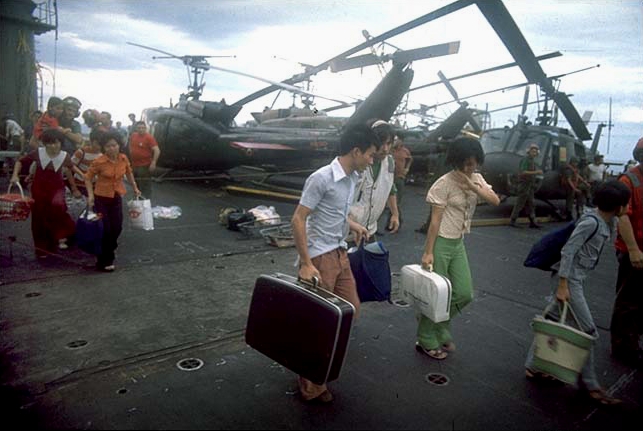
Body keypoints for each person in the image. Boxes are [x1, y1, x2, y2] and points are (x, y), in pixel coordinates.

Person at [291, 123, 378, 403]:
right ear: (356, 151)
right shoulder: (322, 178)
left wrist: (352, 224)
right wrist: (306, 263)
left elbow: (335, 213)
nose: (372, 160)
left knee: (350, 310)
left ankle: (317, 369)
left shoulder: (352, 179)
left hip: (340, 253)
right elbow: (298, 218)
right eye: (371, 155)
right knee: (320, 321)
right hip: (320, 257)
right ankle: (311, 384)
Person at [524, 180, 631, 405]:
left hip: (575, 279)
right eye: (625, 204)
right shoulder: (591, 223)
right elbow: (568, 250)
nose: (627, 208)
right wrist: (563, 285)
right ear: (618, 206)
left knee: (551, 319)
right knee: (588, 331)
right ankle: (591, 387)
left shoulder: (605, 221)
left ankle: (533, 367)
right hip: (569, 280)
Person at [417, 137, 500, 360]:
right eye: (464, 163)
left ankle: (439, 325)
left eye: (472, 163)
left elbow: (495, 201)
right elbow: (434, 222)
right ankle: (426, 337)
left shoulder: (478, 178)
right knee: (438, 295)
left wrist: (473, 185)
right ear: (455, 161)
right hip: (442, 242)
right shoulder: (443, 183)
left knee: (464, 293)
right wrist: (428, 252)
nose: (468, 168)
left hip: (458, 243)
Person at [10, 129, 82, 257]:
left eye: (56, 143)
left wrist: (84, 177)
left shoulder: (64, 156)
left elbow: (72, 168)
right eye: (49, 143)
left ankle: (59, 239)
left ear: (61, 143)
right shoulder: (38, 153)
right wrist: (15, 175)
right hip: (39, 188)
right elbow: (20, 161)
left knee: (58, 211)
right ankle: (41, 248)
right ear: (44, 143)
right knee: (39, 217)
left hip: (57, 189)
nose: (53, 146)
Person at [85, 131, 141, 272]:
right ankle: (105, 260)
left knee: (117, 228)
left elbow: (129, 173)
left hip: (116, 197)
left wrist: (135, 188)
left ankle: (108, 249)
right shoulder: (99, 162)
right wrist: (90, 196)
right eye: (108, 146)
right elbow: (87, 177)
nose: (111, 148)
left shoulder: (123, 158)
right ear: (104, 148)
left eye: (114, 145)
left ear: (119, 145)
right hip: (101, 198)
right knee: (105, 229)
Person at [610, 138, 643, 367]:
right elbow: (622, 216)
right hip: (634, 251)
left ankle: (634, 339)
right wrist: (633, 249)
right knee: (628, 301)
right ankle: (623, 347)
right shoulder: (628, 180)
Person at [348, 119, 399, 241]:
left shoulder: (389, 162)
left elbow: (391, 188)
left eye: (389, 143)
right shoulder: (358, 162)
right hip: (348, 230)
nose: (385, 149)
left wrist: (395, 214)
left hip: (369, 229)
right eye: (382, 143)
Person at [510, 143, 543, 228]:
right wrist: (536, 172)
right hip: (524, 185)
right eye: (533, 151)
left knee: (531, 204)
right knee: (520, 203)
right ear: (529, 152)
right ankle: (513, 220)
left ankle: (532, 221)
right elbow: (523, 172)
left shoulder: (531, 161)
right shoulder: (525, 160)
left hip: (530, 185)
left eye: (536, 152)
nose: (534, 153)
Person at [129, 121, 160, 200]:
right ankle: (137, 201)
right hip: (134, 165)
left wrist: (153, 162)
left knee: (145, 186)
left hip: (144, 166)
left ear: (145, 128)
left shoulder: (149, 137)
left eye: (143, 128)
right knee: (135, 184)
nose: (141, 129)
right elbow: (130, 145)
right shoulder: (133, 135)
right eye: (139, 128)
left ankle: (145, 202)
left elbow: (157, 150)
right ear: (136, 128)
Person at [389, 130, 413, 228]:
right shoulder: (390, 150)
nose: (395, 141)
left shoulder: (405, 151)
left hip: (399, 178)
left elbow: (410, 159)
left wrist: (406, 169)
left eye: (397, 139)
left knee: (397, 201)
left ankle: (395, 221)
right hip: (390, 178)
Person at [71, 129, 104, 195]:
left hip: (95, 184)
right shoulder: (81, 152)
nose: (99, 146)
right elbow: (71, 165)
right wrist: (82, 175)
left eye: (101, 144)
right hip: (80, 183)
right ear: (91, 141)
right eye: (97, 144)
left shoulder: (102, 154)